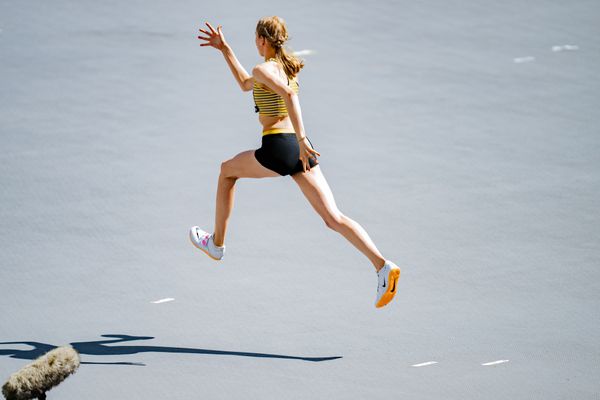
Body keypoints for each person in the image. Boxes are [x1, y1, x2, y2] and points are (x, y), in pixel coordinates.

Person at [192, 16, 400, 308]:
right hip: (298, 150)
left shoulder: (263, 68)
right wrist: (225, 49)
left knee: (227, 172)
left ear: (262, 40)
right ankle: (382, 266)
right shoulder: (286, 68)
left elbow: (288, 95)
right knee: (333, 218)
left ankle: (216, 245)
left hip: (280, 146)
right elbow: (245, 85)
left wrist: (302, 140)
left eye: (255, 38)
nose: (254, 43)